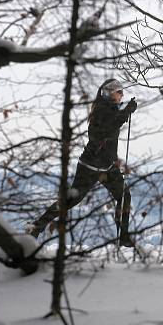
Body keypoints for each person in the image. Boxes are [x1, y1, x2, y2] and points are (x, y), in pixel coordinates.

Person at [29, 78, 137, 247]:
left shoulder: (110, 109)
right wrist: (126, 113)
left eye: (122, 91)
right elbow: (107, 130)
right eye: (119, 91)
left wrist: (124, 111)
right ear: (108, 93)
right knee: (71, 201)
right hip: (90, 167)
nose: (122, 94)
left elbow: (114, 122)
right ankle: (36, 226)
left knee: (124, 196)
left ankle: (123, 237)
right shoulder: (101, 111)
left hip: (107, 166)